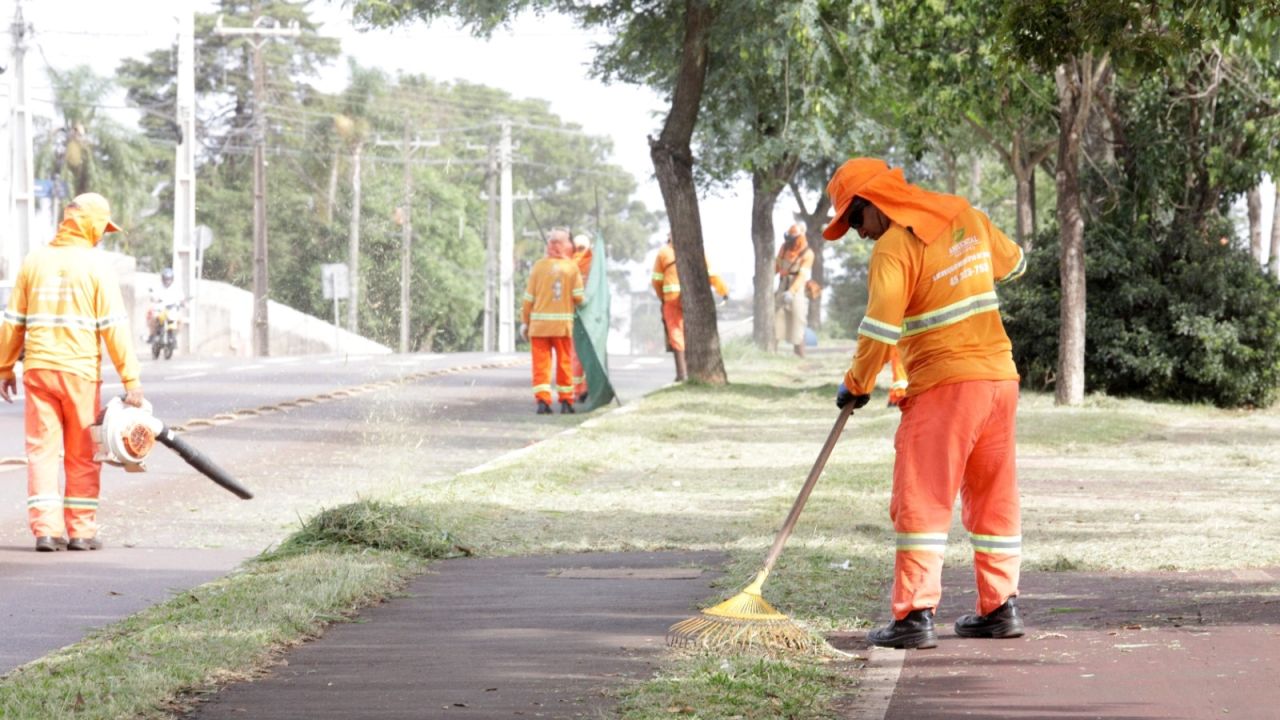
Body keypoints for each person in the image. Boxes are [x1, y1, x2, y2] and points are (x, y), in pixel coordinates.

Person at [824, 158, 1027, 649]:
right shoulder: (967, 216)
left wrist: (856, 384)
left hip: (945, 386)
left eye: (854, 220)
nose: (859, 235)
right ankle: (1000, 608)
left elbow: (879, 329)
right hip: (999, 379)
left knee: (924, 498)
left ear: (874, 203)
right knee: (994, 496)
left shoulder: (895, 247)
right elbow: (1015, 264)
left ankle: (914, 615)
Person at [0, 193, 145, 553]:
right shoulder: (96, 267)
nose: (102, 236)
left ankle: (46, 531)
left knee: (42, 451)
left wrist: (4, 367)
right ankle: (80, 531)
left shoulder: (33, 262)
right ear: (92, 225)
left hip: (38, 371)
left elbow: (12, 322)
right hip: (79, 373)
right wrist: (132, 381)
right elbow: (115, 328)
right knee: (82, 453)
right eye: (102, 229)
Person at [521, 228, 585, 414]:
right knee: (565, 363)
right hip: (562, 327)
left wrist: (525, 322)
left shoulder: (538, 267)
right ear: (566, 246)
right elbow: (579, 298)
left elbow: (528, 299)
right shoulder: (572, 268)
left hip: (538, 327)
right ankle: (566, 402)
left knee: (541, 366)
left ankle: (543, 402)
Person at [651, 232, 729, 381]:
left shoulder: (663, 252)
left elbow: (656, 281)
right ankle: (697, 369)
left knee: (675, 332)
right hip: (692, 299)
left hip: (672, 300)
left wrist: (663, 298)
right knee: (692, 331)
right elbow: (711, 275)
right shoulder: (695, 251)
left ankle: (682, 373)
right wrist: (723, 291)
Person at [774, 223, 815, 357]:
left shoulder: (808, 253)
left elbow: (802, 275)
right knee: (777, 317)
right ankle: (772, 350)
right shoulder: (784, 247)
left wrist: (791, 292)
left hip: (797, 288)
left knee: (798, 318)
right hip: (782, 284)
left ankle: (799, 353)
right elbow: (777, 265)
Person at [570, 234, 593, 403]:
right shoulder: (593, 262)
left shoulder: (568, 264)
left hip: (573, 313)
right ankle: (586, 387)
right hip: (590, 314)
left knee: (575, 354)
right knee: (589, 351)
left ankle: (577, 390)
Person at [148, 267, 184, 344]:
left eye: (169, 279)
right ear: (162, 279)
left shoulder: (176, 288)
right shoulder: (158, 286)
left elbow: (181, 298)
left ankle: (174, 335)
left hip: (172, 309)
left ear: (172, 279)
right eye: (166, 279)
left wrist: (183, 303)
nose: (167, 281)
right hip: (160, 308)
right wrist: (154, 299)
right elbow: (153, 295)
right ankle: (152, 335)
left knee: (180, 321)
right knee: (153, 319)